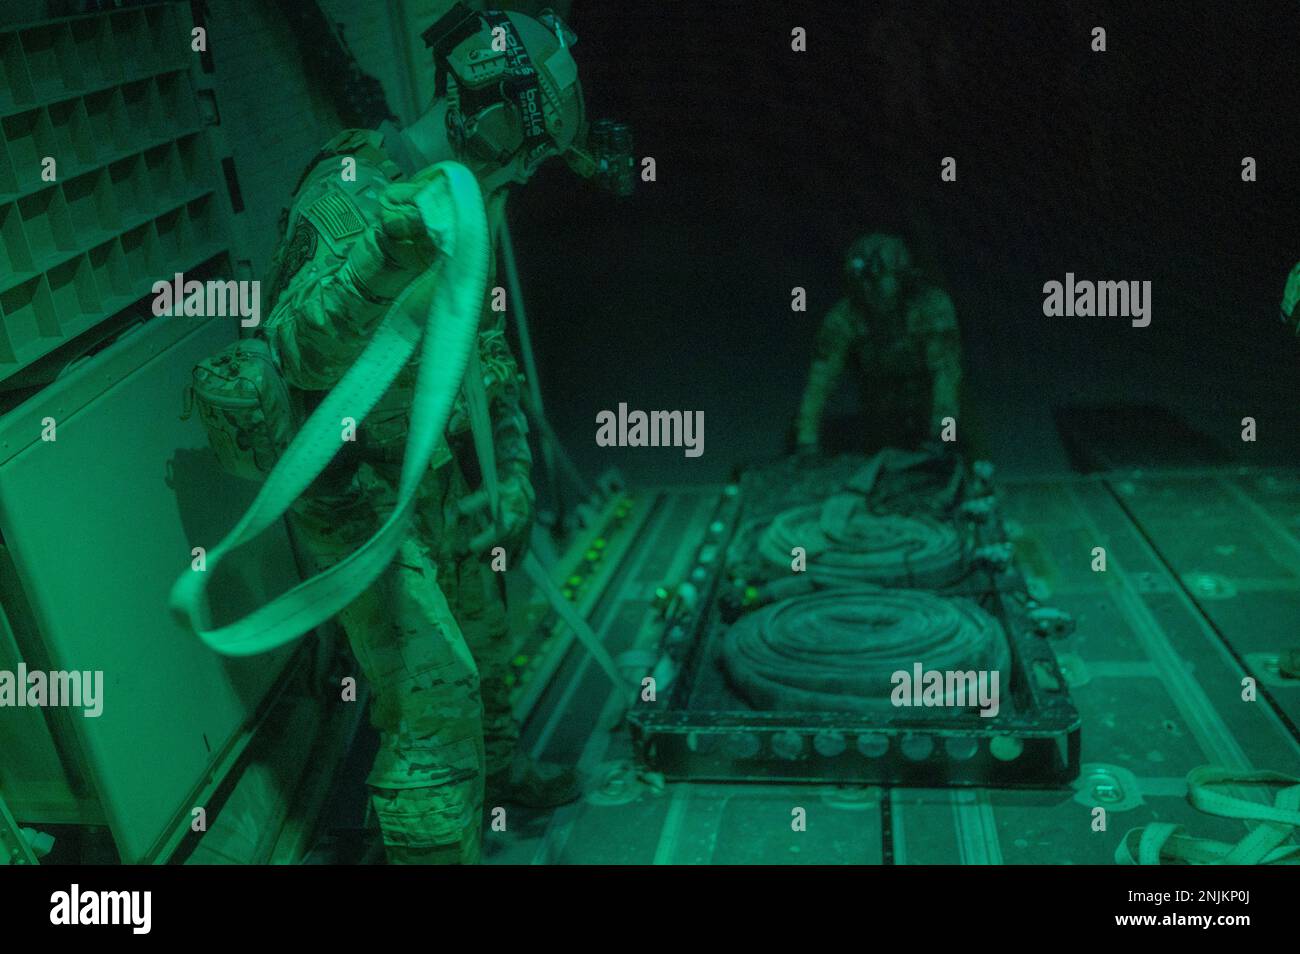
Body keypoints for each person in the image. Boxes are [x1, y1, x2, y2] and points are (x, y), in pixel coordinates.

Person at [261, 6, 586, 864]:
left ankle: (503, 772)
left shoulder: (454, 203)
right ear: (494, 115)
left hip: (428, 470)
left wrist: (512, 476)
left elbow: (488, 357)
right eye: (527, 148)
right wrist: (385, 254)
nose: (523, 170)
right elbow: (296, 348)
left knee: (485, 635)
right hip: (354, 491)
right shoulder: (349, 193)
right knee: (434, 706)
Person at [793, 233, 962, 455]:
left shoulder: (931, 307)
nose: (867, 288)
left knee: (954, 468)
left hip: (931, 408)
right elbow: (820, 380)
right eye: (859, 280)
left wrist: (942, 434)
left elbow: (946, 375)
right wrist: (806, 438)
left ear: (901, 277)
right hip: (880, 411)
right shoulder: (844, 317)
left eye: (876, 278)